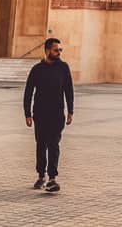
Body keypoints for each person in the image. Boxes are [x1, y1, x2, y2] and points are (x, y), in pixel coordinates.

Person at [23, 37, 74, 191]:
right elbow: (28, 92)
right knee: (41, 145)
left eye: (60, 50)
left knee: (53, 145)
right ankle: (40, 175)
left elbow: (69, 90)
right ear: (47, 51)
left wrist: (70, 110)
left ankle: (52, 178)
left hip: (57, 115)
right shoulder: (37, 70)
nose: (58, 53)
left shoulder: (63, 68)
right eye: (56, 50)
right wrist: (27, 114)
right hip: (40, 114)